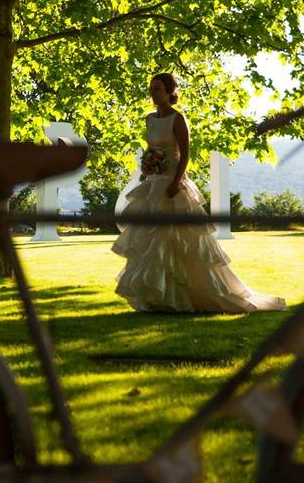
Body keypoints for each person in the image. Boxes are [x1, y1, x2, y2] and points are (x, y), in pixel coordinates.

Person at [112, 73, 285, 313]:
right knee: (153, 242)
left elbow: (184, 154)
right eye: (151, 89)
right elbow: (151, 148)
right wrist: (147, 165)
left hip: (173, 187)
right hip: (152, 184)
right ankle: (159, 299)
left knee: (181, 241)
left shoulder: (178, 119)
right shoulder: (149, 120)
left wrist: (175, 181)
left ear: (170, 92)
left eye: (158, 89)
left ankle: (188, 297)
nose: (153, 94)